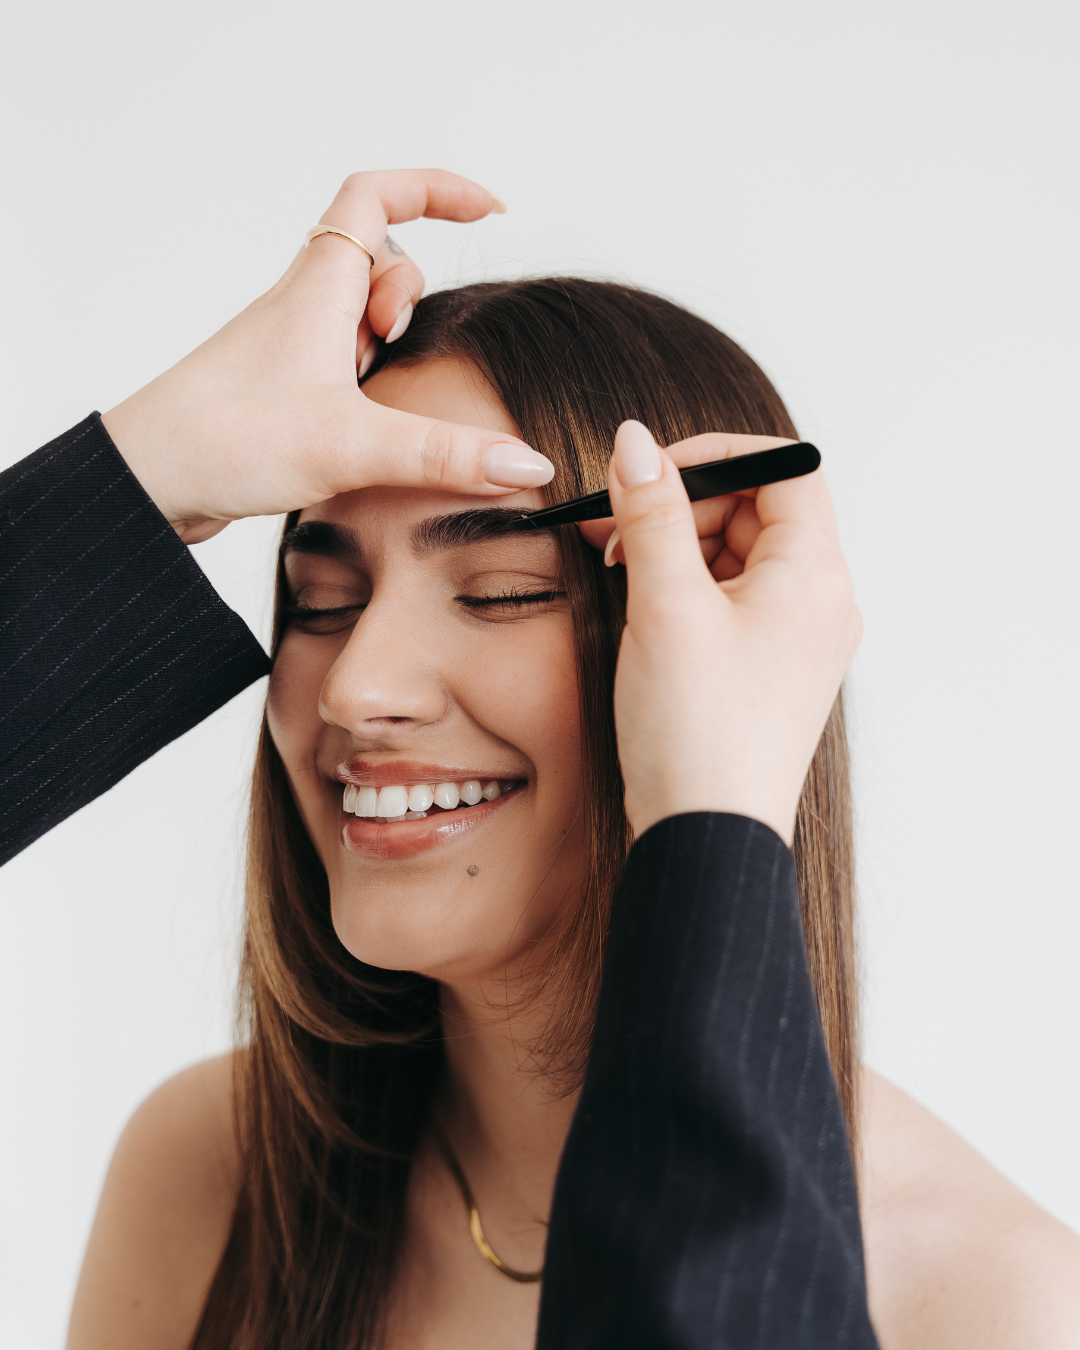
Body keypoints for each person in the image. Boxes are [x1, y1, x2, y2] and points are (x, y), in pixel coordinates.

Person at [61, 278, 1080, 1349]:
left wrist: (712, 809)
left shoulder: (1000, 1307)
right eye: (322, 604)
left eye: (499, 589)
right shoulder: (206, 1167)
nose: (355, 687)